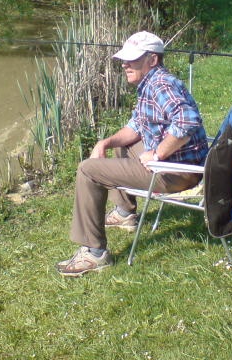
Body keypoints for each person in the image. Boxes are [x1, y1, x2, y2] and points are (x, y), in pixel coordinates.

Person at [56, 31, 209, 277]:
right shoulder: (149, 84)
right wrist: (105, 143)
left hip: (176, 172)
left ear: (152, 59)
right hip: (177, 164)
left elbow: (188, 121)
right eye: (124, 60)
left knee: (88, 170)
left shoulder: (161, 85)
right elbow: (135, 127)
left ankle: (94, 254)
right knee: (123, 143)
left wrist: (157, 153)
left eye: (132, 59)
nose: (125, 64)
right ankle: (125, 213)